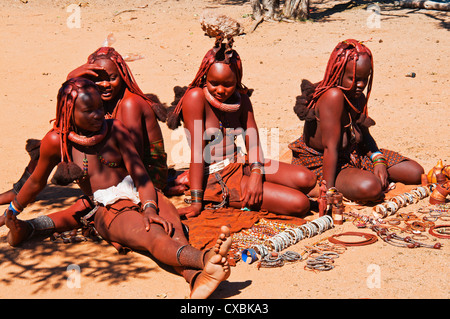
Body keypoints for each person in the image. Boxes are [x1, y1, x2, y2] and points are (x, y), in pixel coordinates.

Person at [4, 78, 232, 299]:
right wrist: (12, 211)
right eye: (89, 111)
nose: (98, 115)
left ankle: (197, 279)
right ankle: (206, 259)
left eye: (100, 107)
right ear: (69, 112)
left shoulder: (115, 128)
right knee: (153, 236)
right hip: (108, 209)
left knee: (174, 230)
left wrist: (150, 207)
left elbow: (140, 174)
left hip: (143, 193)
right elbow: (36, 181)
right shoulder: (57, 141)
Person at [0, 46, 169, 230]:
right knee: (58, 138)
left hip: (146, 178)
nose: (105, 84)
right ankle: (20, 194)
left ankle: (29, 224)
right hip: (122, 176)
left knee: (83, 204)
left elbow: (132, 163)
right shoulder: (101, 102)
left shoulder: (129, 104)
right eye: (98, 80)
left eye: (113, 78)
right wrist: (71, 77)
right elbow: (70, 100)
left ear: (123, 75)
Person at [166, 31, 316, 219]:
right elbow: (198, 153)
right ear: (205, 77)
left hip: (240, 162)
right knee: (299, 203)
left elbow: (252, 141)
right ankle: (197, 184)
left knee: (307, 178)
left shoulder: (241, 99)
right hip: (215, 175)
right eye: (214, 83)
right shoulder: (195, 98)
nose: (220, 90)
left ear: (237, 80)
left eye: (228, 84)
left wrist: (255, 174)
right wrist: (197, 202)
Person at [288, 39, 424, 202]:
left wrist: (378, 159)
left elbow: (364, 135)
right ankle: (345, 182)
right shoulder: (332, 96)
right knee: (371, 187)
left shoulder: (357, 96)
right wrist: (328, 193)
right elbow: (330, 148)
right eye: (353, 78)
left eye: (364, 79)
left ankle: (363, 175)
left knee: (416, 172)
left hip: (353, 154)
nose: (360, 85)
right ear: (338, 74)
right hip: (323, 163)